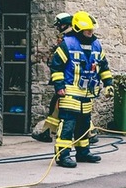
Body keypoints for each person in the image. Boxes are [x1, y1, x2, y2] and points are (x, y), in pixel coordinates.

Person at [49, 11, 114, 168]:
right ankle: (62, 155)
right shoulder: (67, 44)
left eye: (91, 30)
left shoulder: (97, 45)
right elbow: (56, 66)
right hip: (70, 93)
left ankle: (83, 152)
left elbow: (103, 66)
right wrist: (59, 87)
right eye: (87, 30)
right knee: (68, 125)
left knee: (84, 125)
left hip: (87, 94)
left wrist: (109, 83)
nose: (90, 32)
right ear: (78, 29)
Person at [32, 12, 74, 143]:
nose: (57, 28)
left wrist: (60, 84)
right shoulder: (72, 38)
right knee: (56, 106)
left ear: (64, 25)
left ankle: (90, 133)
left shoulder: (69, 40)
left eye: (59, 25)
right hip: (70, 81)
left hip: (68, 81)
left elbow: (59, 64)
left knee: (71, 109)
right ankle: (47, 132)